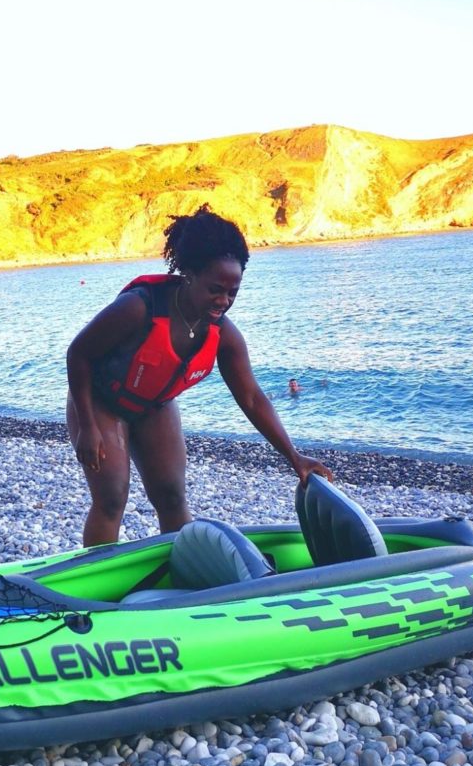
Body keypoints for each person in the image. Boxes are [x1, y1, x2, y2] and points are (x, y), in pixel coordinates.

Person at [66, 205, 334, 546]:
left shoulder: (224, 336)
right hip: (99, 401)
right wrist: (88, 427)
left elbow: (252, 398)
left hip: (155, 406)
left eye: (232, 292)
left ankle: (188, 577)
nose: (223, 300)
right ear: (189, 273)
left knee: (172, 496)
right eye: (215, 289)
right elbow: (79, 354)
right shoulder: (138, 308)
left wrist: (293, 456)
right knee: (112, 496)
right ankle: (96, 581)